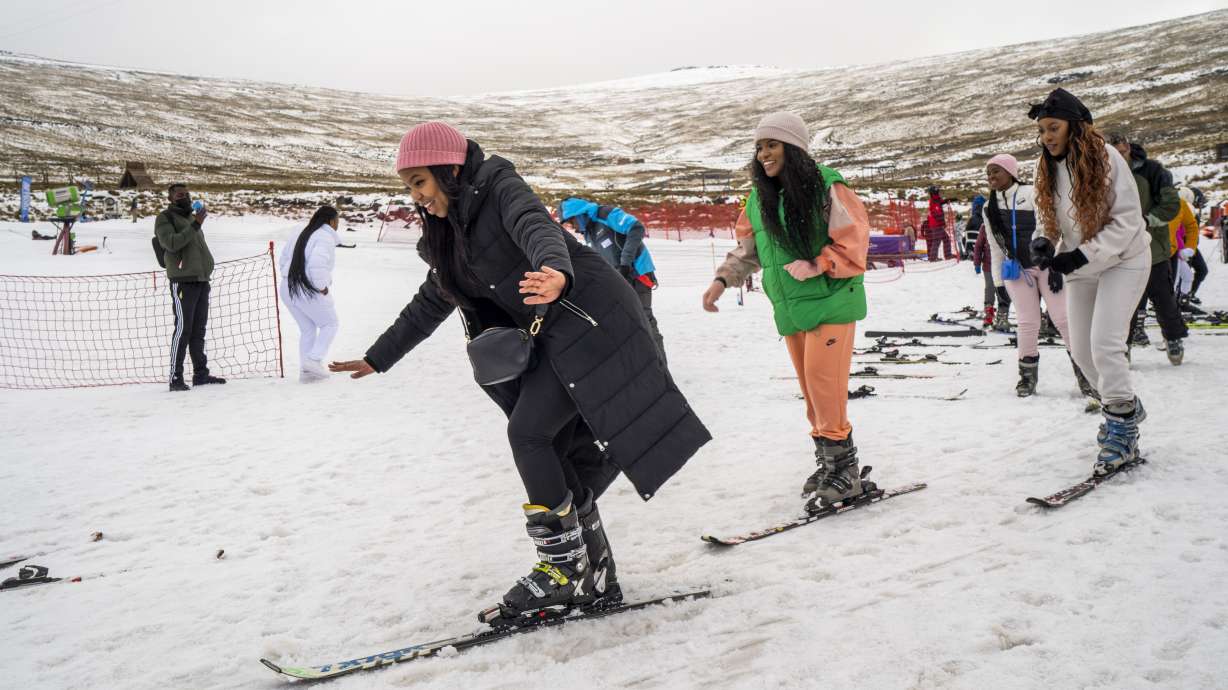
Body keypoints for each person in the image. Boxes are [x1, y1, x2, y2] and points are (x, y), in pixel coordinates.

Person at [329, 122, 710, 625]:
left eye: (420, 182)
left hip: (588, 317)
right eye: (409, 187)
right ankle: (594, 575)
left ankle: (562, 567)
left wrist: (556, 272)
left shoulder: (499, 186)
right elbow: (431, 301)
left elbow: (537, 227)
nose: (417, 197)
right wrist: (379, 356)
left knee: (529, 432)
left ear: (449, 170)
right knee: (561, 452)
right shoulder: (447, 236)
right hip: (551, 336)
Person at [701, 112, 870, 508]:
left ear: (793, 149)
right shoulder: (759, 199)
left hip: (832, 299)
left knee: (823, 382)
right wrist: (722, 280)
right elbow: (748, 249)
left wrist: (818, 263)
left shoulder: (827, 187)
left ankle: (845, 470)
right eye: (759, 146)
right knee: (812, 390)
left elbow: (855, 240)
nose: (763, 154)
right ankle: (829, 463)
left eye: (772, 145)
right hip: (790, 307)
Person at [1027, 88, 1149, 475]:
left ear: (1074, 126)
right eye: (1043, 130)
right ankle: (1124, 404)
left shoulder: (1107, 158)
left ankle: (1121, 429)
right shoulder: (1044, 165)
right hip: (1082, 267)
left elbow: (1129, 220)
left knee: (1105, 345)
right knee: (1080, 350)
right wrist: (1044, 240)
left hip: (1125, 260)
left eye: (1053, 127)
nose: (1047, 137)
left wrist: (1081, 254)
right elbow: (1045, 211)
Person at [980, 153, 1089, 398]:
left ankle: (1085, 374)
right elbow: (995, 246)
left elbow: (1051, 227)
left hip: (1046, 266)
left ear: (1011, 172)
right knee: (1028, 323)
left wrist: (1055, 260)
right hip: (1017, 270)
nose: (992, 177)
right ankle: (1027, 377)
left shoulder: (1032, 194)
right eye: (988, 173)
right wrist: (998, 283)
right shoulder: (989, 207)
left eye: (996, 171)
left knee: (1063, 320)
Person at [1105, 131, 1186, 363]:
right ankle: (1123, 346)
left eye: (1121, 153)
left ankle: (1173, 339)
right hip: (1118, 250)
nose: (1117, 159)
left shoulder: (1153, 171)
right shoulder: (1102, 172)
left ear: (1128, 148)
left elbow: (1171, 205)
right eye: (1112, 155)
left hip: (1153, 249)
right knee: (1124, 303)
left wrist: (1146, 220)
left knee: (1163, 299)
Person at [557, 198, 666, 363]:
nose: (574, 227)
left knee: (645, 318)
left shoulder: (605, 214)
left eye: (572, 222)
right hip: (619, 279)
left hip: (637, 274)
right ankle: (642, 361)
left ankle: (660, 364)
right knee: (623, 321)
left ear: (579, 215)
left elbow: (636, 227)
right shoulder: (589, 233)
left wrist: (625, 262)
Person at [155, 183, 225, 391]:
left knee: (198, 331)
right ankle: (175, 378)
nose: (184, 197)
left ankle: (200, 374)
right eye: (179, 195)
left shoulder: (190, 217)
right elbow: (172, 243)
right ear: (170, 198)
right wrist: (196, 224)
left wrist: (195, 222)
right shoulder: (165, 218)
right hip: (183, 281)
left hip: (201, 280)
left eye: (186, 194)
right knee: (183, 330)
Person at [279, 205, 341, 382]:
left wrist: (288, 276)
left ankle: (307, 373)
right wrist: (322, 287)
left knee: (308, 329)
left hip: (287, 286)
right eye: (337, 220)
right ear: (330, 221)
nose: (338, 224)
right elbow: (316, 265)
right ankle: (313, 360)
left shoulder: (301, 231)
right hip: (305, 288)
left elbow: (283, 258)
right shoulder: (325, 237)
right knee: (330, 324)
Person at [1169, 187, 1208, 306]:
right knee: (1177, 277)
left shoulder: (1186, 209)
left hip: (1186, 247)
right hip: (1180, 248)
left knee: (1190, 274)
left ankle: (1183, 298)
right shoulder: (1181, 208)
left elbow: (1191, 229)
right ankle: (1173, 302)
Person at [971, 223, 1011, 331]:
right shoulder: (985, 226)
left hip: (1006, 265)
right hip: (989, 265)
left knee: (1004, 291)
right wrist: (977, 263)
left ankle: (1002, 315)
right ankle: (988, 313)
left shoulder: (1008, 223)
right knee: (990, 288)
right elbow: (979, 246)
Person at [922, 185, 953, 261]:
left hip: (937, 225)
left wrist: (947, 200)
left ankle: (947, 255)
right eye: (937, 191)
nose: (938, 193)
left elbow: (940, 202)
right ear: (934, 193)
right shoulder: (934, 201)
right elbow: (937, 214)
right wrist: (942, 223)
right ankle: (933, 258)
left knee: (945, 239)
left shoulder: (935, 200)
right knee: (937, 241)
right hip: (936, 225)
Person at [962, 194, 985, 260]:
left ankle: (970, 251)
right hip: (982, 238)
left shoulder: (972, 218)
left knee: (964, 238)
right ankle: (980, 252)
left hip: (971, 238)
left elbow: (967, 229)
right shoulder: (985, 217)